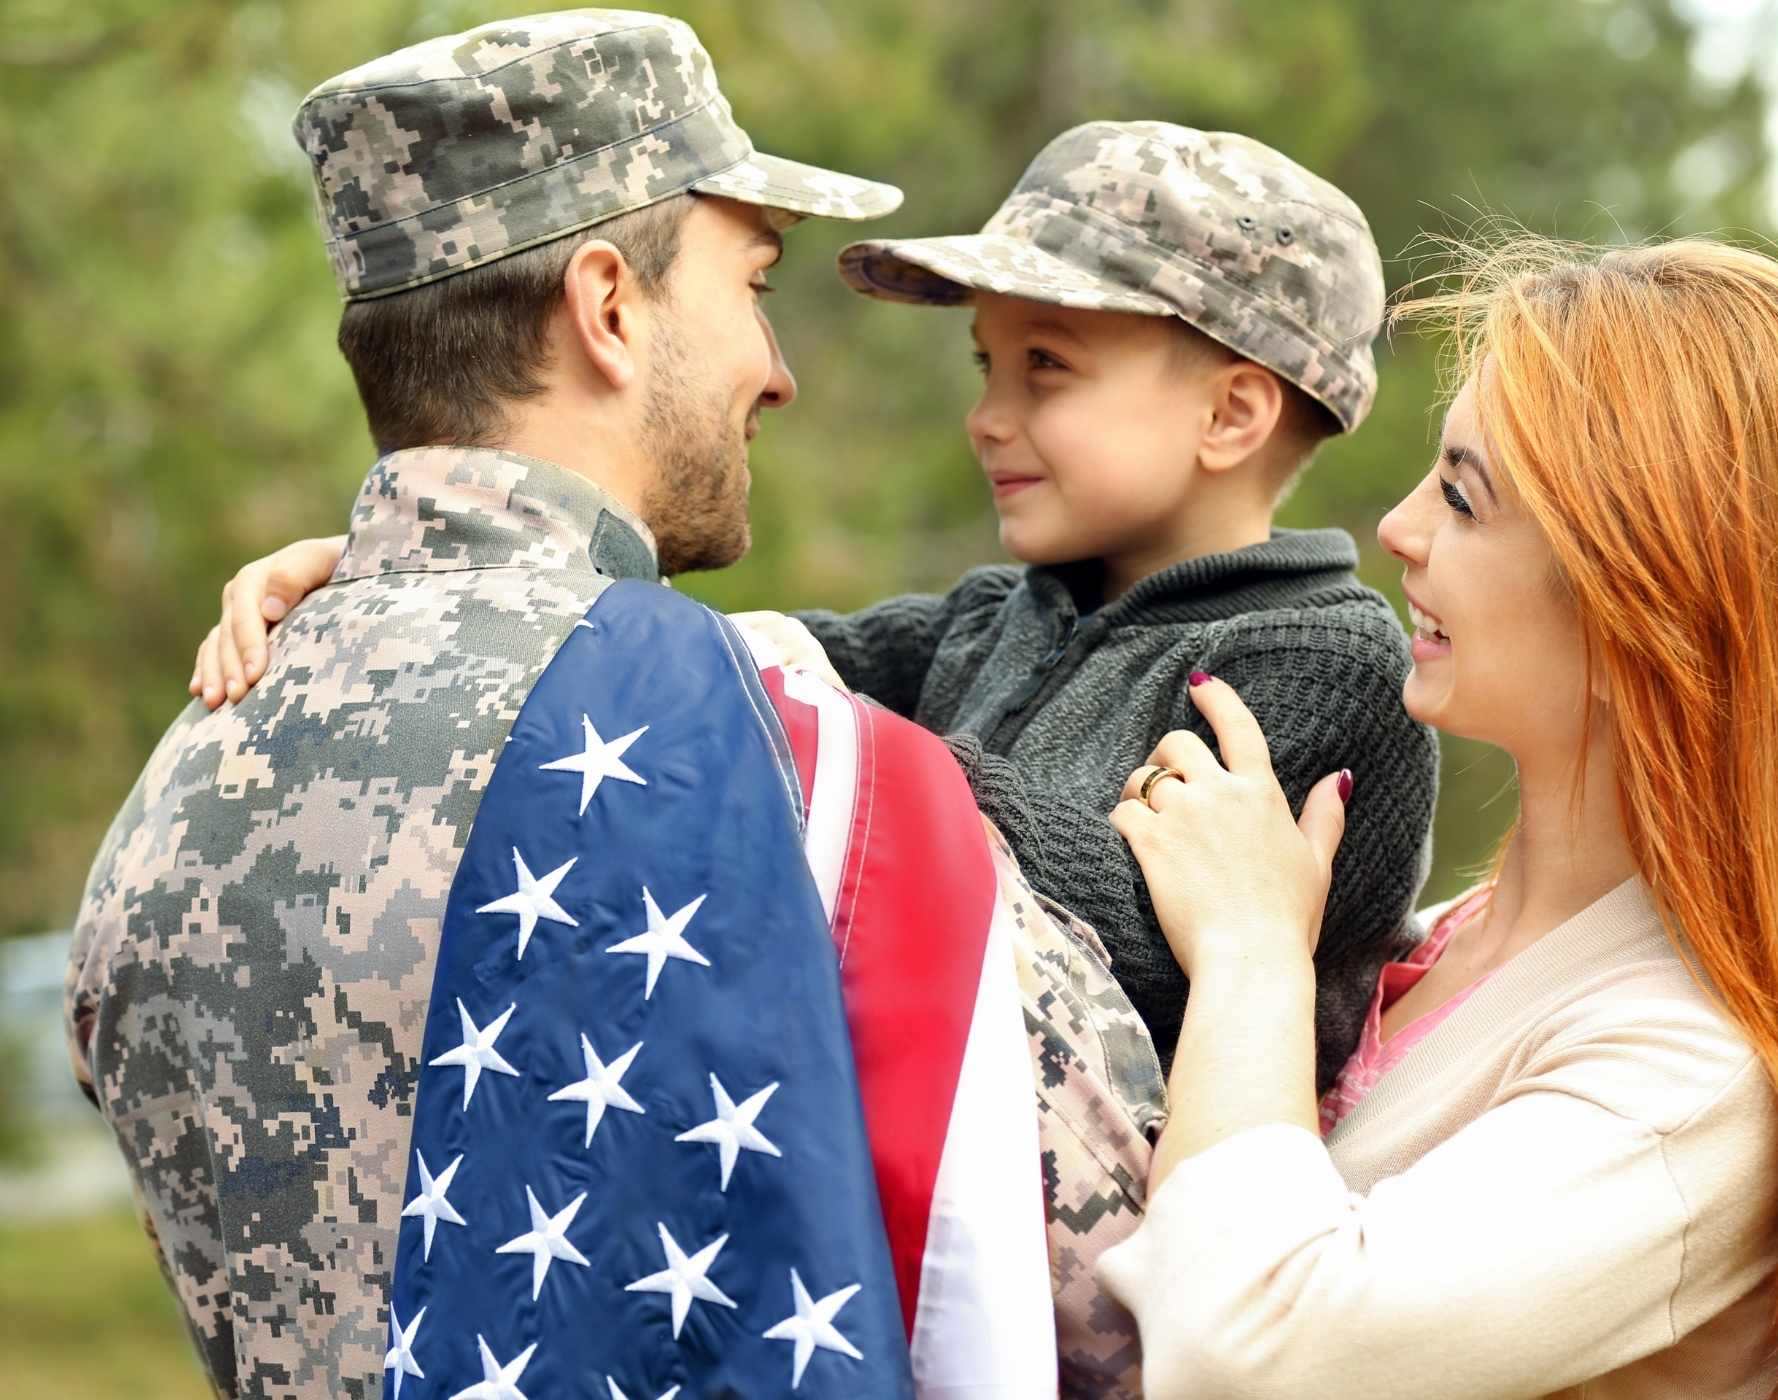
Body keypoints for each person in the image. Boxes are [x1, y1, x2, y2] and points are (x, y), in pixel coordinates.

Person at [65, 12, 1161, 1396]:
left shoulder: (173, 800)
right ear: (609, 308)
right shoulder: (782, 769)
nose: (780, 367)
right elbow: (1153, 1310)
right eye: (752, 284)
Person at [192, 119, 1441, 1093]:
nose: (987, 413)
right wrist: (445, 565)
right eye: (984, 363)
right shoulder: (994, 616)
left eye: (1045, 366)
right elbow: (725, 657)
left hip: (1154, 1266)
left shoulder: (1317, 659)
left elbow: (1139, 943)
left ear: (1230, 413)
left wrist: (865, 762)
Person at [1093, 236, 1778, 1398]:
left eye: (1461, 497)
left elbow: (1250, 1355)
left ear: (1643, 603)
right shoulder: (1455, 940)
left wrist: (1252, 949)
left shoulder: (1689, 1078)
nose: (1399, 529)